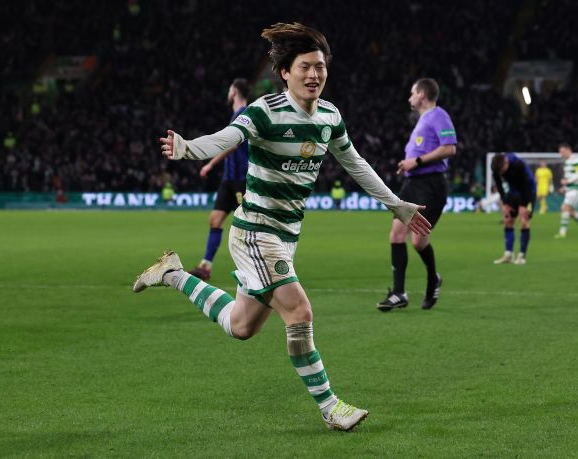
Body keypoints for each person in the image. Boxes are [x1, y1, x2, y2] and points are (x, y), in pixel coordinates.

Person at [133, 22, 431, 432]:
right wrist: (187, 148)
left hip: (286, 236)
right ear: (285, 72)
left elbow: (355, 164)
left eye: (320, 67)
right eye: (305, 66)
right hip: (255, 232)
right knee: (299, 311)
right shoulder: (265, 111)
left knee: (241, 326)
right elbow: (227, 138)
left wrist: (396, 204)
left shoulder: (329, 116)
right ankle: (331, 408)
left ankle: (173, 274)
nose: (314, 74)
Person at [376, 78, 456, 312]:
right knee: (396, 234)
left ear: (422, 94)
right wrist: (408, 165)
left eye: (412, 93)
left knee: (419, 241)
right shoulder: (423, 119)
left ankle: (433, 279)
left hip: (431, 185)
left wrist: (416, 161)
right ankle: (399, 293)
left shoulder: (438, 115)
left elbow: (450, 148)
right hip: (413, 183)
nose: (409, 97)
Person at [188, 79, 250, 280]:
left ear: (234, 91)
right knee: (215, 220)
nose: (228, 92)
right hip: (228, 180)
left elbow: (232, 145)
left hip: (241, 179)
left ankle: (257, 268)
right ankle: (205, 267)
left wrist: (210, 164)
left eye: (230, 89)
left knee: (248, 225)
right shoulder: (235, 115)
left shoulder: (243, 113)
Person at [490, 152, 536, 264]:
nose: (501, 174)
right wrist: (505, 203)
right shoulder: (496, 168)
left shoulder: (518, 165)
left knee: (524, 220)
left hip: (528, 192)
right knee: (508, 220)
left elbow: (527, 187)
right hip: (513, 192)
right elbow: (499, 186)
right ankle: (508, 255)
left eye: (502, 171)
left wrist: (526, 205)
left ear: (506, 163)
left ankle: (522, 256)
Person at [555, 143, 578, 238]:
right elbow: (571, 177)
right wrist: (565, 187)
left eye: (562, 152)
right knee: (571, 212)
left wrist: (568, 182)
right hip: (571, 189)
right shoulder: (568, 162)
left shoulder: (576, 159)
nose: (561, 154)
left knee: (564, 208)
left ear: (568, 150)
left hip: (576, 189)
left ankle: (562, 232)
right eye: (560, 152)